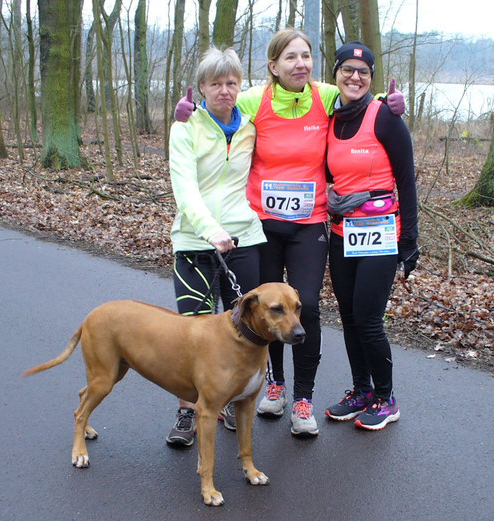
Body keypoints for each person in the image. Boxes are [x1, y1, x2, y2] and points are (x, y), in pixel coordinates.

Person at [175, 29, 405, 437]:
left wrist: (388, 105)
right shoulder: (253, 100)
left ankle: (303, 399)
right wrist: (192, 107)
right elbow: (218, 106)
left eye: (306, 56)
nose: (300, 64)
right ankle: (274, 385)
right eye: (290, 58)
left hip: (310, 224)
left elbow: (360, 96)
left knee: (307, 307)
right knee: (268, 309)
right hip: (262, 225)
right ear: (273, 66)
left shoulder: (326, 95)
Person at [165, 47, 266, 446]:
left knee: (242, 328)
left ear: (241, 86)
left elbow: (302, 91)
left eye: (231, 83)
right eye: (214, 83)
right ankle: (188, 410)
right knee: (194, 333)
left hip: (244, 237)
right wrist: (210, 231)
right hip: (194, 240)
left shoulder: (252, 123)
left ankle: (228, 400)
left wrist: (378, 100)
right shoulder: (185, 126)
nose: (224, 91)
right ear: (201, 87)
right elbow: (184, 189)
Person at [324, 41, 419, 431]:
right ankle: (362, 390)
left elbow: (406, 180)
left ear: (372, 79)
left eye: (363, 72)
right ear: (336, 74)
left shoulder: (385, 116)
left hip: (381, 233)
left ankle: (386, 397)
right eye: (348, 69)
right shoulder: (330, 117)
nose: (355, 77)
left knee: (367, 319)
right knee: (348, 317)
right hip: (340, 231)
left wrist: (410, 240)